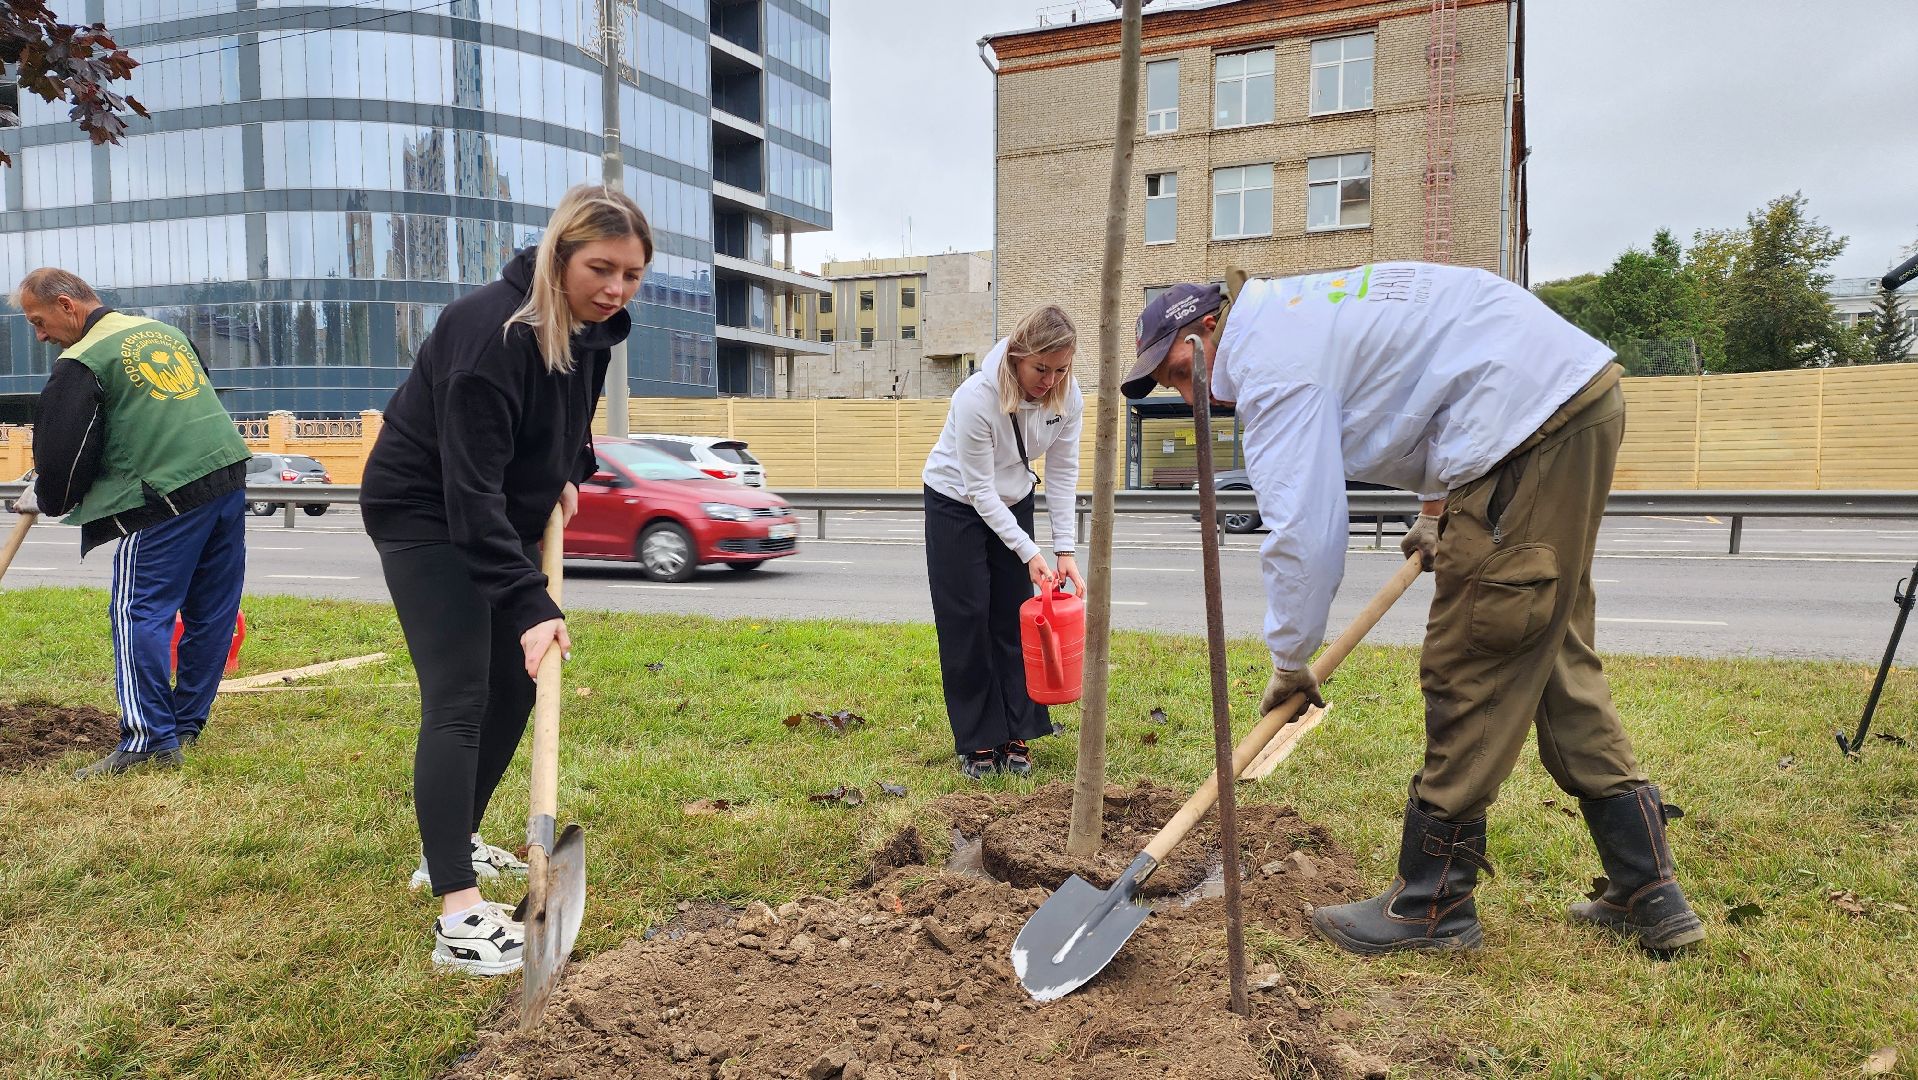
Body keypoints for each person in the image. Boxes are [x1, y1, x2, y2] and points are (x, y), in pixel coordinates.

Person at [1125, 265, 1704, 955]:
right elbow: (1427, 379)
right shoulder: (1298, 311)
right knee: (1549, 652)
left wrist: (1289, 659)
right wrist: (1438, 512)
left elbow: (1304, 532)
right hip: (1565, 402)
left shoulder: (1268, 359)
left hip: (1528, 424)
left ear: (1207, 328)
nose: (1191, 394)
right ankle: (1649, 889)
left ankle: (1432, 905)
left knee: (1474, 655)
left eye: (1181, 372)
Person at [360, 185, 650, 976]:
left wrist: (570, 471)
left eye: (631, 273)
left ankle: (446, 846)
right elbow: (468, 492)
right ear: (559, 256)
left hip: (494, 510)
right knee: (459, 691)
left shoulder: (592, 332)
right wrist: (529, 601)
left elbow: (566, 418)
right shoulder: (489, 333)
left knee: (516, 689)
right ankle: (457, 913)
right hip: (426, 512)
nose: (616, 288)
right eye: (601, 267)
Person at [13, 268, 250, 779]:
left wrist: (49, 492)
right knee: (211, 611)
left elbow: (65, 450)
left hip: (163, 494)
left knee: (139, 611)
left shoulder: (81, 361)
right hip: (226, 476)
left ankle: (147, 740)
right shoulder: (162, 333)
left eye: (39, 321)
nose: (40, 335)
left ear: (66, 305)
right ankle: (183, 723)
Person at [922, 305, 1086, 779]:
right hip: (956, 500)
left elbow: (1061, 471)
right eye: (1041, 368)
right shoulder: (975, 398)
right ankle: (978, 738)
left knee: (1018, 618)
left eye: (1061, 369)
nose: (1050, 380)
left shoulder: (1067, 395)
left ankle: (1019, 728)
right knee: (967, 617)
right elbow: (978, 490)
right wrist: (1028, 551)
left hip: (1014, 498)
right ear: (1017, 355)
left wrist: (1063, 551)